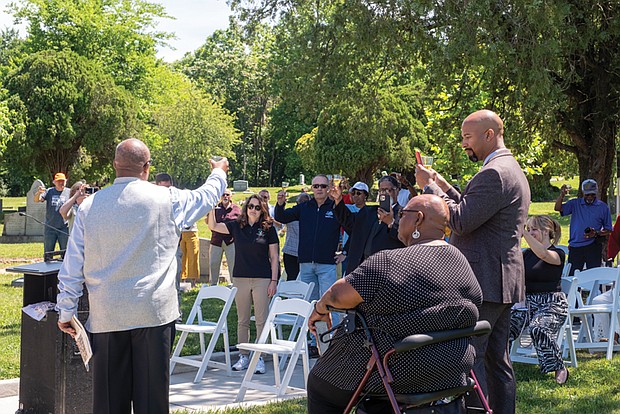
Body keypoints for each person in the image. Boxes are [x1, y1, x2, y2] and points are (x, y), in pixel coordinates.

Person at [56, 138, 228, 414]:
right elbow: (206, 196)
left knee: (110, 404)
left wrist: (66, 310)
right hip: (153, 313)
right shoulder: (167, 198)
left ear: (115, 165)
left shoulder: (89, 207)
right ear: (147, 167)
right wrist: (219, 171)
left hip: (107, 316)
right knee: (152, 402)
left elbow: (73, 263)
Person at [306, 195, 483, 413]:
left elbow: (336, 296)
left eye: (402, 214)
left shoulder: (390, 261)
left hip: (394, 370)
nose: (398, 220)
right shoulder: (460, 260)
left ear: (418, 219)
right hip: (449, 370)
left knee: (320, 386)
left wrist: (319, 310)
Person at [416, 109, 530, 414]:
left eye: (468, 137)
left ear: (489, 134)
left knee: (471, 357)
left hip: (485, 279)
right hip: (501, 279)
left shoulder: (494, 173)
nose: (463, 143)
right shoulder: (507, 168)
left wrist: (430, 192)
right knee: (497, 360)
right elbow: (473, 207)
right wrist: (440, 182)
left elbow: (462, 220)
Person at [207, 194, 279, 375]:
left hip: (262, 279)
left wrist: (273, 281)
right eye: (250, 206)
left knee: (262, 320)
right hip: (240, 278)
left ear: (262, 209)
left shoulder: (268, 228)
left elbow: (275, 257)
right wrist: (209, 205)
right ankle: (244, 355)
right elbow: (213, 226)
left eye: (257, 207)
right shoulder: (236, 226)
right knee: (243, 320)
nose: (253, 210)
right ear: (246, 208)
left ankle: (260, 357)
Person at [275, 174, 342, 357]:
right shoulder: (304, 207)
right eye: (316, 186)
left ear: (328, 188)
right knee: (311, 306)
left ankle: (334, 341)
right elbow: (282, 217)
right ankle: (315, 343)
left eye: (322, 186)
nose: (319, 189)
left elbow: (352, 227)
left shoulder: (335, 208)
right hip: (306, 264)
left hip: (327, 263)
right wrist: (280, 203)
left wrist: (345, 252)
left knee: (330, 304)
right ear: (311, 189)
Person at [509, 215, 569, 384]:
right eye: (528, 229)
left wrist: (523, 232)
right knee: (502, 328)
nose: (530, 233)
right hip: (526, 304)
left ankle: (558, 366)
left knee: (538, 328)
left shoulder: (558, 253)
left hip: (552, 304)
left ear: (546, 231)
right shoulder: (526, 254)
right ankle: (499, 367)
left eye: (533, 229)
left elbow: (543, 254)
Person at [330, 179, 404, 275]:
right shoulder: (369, 211)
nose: (385, 194)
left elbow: (403, 238)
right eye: (382, 190)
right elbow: (349, 222)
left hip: (386, 270)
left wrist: (391, 223)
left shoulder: (403, 213)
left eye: (388, 190)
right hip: (361, 266)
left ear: (397, 191)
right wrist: (338, 199)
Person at [554, 179, 612, 275]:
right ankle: (575, 290)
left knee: (593, 275)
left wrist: (596, 233)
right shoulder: (575, 203)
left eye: (592, 194)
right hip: (575, 246)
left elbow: (608, 229)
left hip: (593, 246)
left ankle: (593, 290)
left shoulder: (603, 207)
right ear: (583, 193)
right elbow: (558, 208)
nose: (590, 197)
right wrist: (562, 196)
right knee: (572, 275)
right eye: (587, 194)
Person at [155, 173, 201, 286]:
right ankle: (180, 280)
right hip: (165, 239)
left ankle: (190, 281)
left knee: (190, 257)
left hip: (185, 232)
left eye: (168, 187)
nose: (167, 191)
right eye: (163, 188)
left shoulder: (178, 199)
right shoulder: (154, 200)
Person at [208, 189, 241, 285]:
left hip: (230, 241)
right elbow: (208, 221)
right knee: (213, 264)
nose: (225, 196)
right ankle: (213, 285)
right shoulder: (215, 207)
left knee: (233, 264)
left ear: (230, 196)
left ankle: (235, 285)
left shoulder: (236, 209)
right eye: (223, 195)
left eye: (227, 195)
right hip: (216, 240)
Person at [34, 172, 70, 254]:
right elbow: (36, 200)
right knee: (48, 253)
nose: (61, 183)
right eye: (58, 181)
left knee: (65, 253)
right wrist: (39, 192)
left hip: (64, 227)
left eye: (62, 181)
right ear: (54, 182)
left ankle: (63, 267)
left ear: (66, 181)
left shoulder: (69, 192)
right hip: (50, 227)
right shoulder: (49, 191)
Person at [281, 192, 311, 280]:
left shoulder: (312, 216)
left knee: (306, 279)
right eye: (300, 202)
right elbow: (280, 217)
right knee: (292, 278)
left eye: (305, 202)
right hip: (290, 251)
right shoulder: (292, 214)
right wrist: (281, 204)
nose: (302, 204)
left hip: (305, 253)